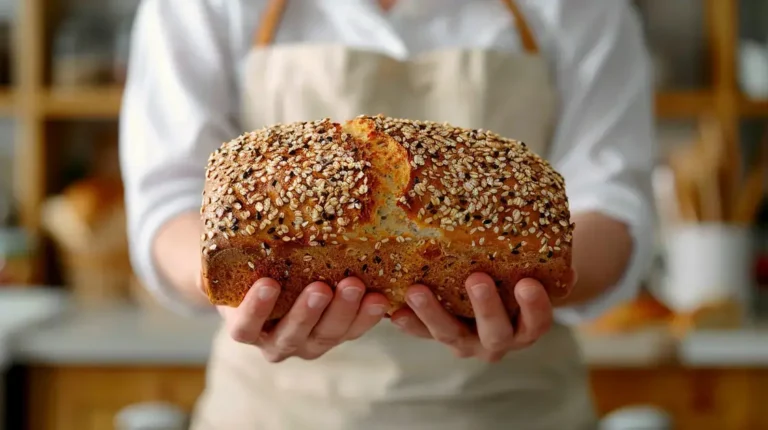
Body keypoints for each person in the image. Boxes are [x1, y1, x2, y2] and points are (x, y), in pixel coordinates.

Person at [119, 0, 655, 429]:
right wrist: (233, 291)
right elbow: (168, 201)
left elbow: (612, 205)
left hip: (512, 408)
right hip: (275, 412)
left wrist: (529, 291)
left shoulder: (585, 8)